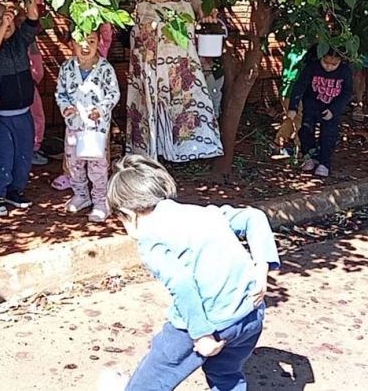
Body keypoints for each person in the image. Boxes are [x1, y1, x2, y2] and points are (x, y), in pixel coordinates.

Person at [104, 154, 280, 390]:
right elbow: (254, 217)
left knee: (152, 379)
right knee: (225, 375)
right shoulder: (203, 213)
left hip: (208, 322)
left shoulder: (150, 239)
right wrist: (261, 270)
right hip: (249, 314)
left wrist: (201, 335)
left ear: (129, 214)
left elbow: (182, 282)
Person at [126, 0, 223, 162]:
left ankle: (161, 168)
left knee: (173, 102)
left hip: (173, 43)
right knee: (156, 104)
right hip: (158, 40)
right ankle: (150, 175)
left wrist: (200, 7)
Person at [0, 0, 40, 217]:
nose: (4, 19)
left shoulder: (20, 40)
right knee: (4, 156)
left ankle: (16, 191)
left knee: (24, 155)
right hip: (1, 117)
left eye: (6, 15)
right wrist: (2, 26)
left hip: (24, 114)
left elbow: (32, 17)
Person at [55, 29, 120, 221]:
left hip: (95, 128)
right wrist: (66, 107)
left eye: (91, 41)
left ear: (98, 43)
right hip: (74, 125)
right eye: (80, 41)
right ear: (72, 44)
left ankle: (101, 201)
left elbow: (113, 93)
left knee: (97, 165)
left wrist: (100, 109)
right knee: (74, 162)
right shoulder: (67, 67)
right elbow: (60, 92)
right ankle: (81, 194)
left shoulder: (105, 68)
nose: (85, 46)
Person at [287, 47, 353, 177]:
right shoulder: (312, 67)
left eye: (333, 64)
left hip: (331, 109)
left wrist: (334, 109)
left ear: (341, 60)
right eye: (325, 62)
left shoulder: (344, 71)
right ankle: (309, 157)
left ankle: (324, 163)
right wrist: (293, 107)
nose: (328, 67)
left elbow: (347, 92)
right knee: (306, 131)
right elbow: (300, 86)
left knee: (328, 136)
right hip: (311, 106)